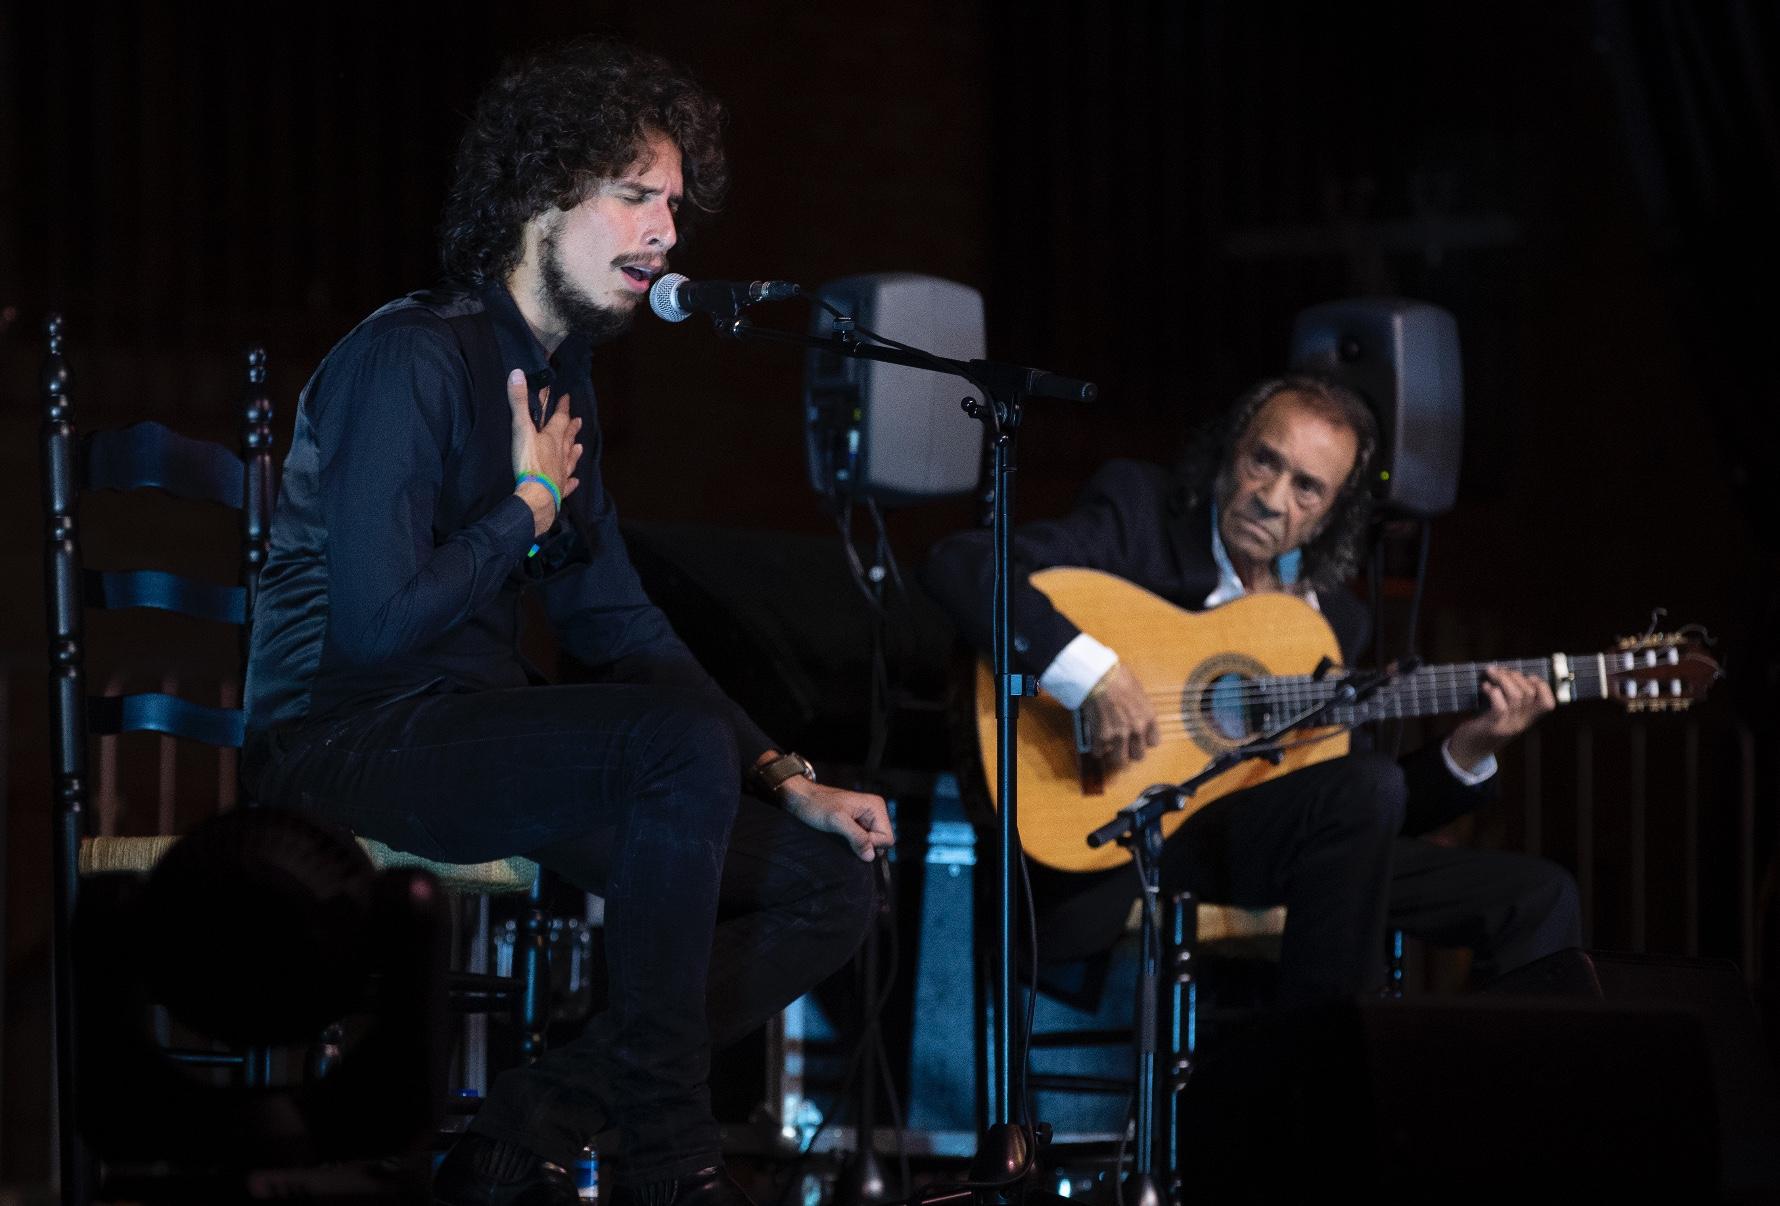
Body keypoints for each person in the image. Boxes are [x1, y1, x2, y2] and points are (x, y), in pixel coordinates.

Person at [242, 40, 893, 1206]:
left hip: (470, 735)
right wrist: (526, 504)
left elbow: (616, 619)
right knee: (665, 744)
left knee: (830, 884)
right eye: (635, 196)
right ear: (539, 197)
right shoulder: (411, 354)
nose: (666, 233)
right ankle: (669, 1157)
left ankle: (526, 1127)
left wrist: (785, 774)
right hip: (339, 739)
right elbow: (376, 624)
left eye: (676, 206)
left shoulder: (561, 375)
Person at [921, 374, 1580, 1004]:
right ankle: (1318, 1065)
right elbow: (963, 563)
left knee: (1539, 895)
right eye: (1264, 462)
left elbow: (1365, 802)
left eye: (1306, 489)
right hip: (1142, 842)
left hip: (1278, 845)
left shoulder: (1334, 621)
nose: (1272, 497)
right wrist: (1094, 675)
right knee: (1363, 798)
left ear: (1328, 517)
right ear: (1230, 449)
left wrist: (1469, 750)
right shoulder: (1141, 512)